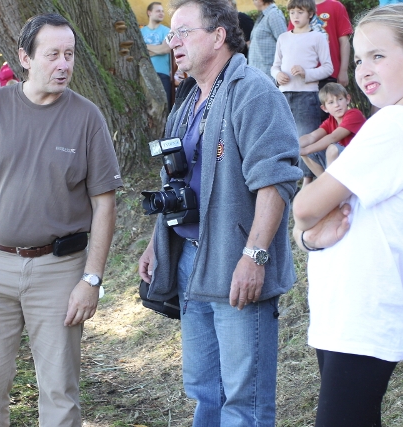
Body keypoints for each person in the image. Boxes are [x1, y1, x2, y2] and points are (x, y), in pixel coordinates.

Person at [292, 4, 403, 426]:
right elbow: (314, 222)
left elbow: (305, 206)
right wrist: (308, 236)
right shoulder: (401, 123)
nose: (364, 69)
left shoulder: (396, 126)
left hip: (363, 309)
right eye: (358, 60)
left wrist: (306, 224)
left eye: (378, 55)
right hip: (349, 307)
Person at [0, 13, 123, 426]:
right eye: (53, 55)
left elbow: (104, 204)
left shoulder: (87, 118)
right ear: (25, 58)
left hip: (59, 271)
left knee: (60, 391)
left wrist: (91, 279)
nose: (64, 64)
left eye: (69, 55)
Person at [138, 0, 301, 424]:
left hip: (235, 262)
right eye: (170, 33)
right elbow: (176, 178)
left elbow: (276, 181)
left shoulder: (254, 91)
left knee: (244, 400)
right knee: (204, 390)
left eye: (183, 31)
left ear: (218, 36)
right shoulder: (190, 96)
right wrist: (158, 243)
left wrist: (255, 257)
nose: (173, 41)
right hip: (190, 260)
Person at [272, 0, 332, 187]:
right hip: (284, 95)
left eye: (300, 12)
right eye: (292, 13)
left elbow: (328, 68)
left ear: (310, 14)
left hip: (307, 96)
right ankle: (292, 181)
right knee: (285, 139)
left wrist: (307, 73)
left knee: (306, 140)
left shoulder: (318, 37)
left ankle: (314, 183)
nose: (295, 16)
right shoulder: (283, 38)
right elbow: (275, 66)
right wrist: (277, 75)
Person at [299, 83, 366, 177]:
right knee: (305, 151)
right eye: (331, 102)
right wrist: (293, 146)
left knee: (333, 148)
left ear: (347, 99)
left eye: (340, 99)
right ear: (324, 108)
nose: (337, 105)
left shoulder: (354, 114)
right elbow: (311, 137)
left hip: (361, 160)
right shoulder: (330, 121)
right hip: (345, 162)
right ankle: (324, 181)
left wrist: (306, 150)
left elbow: (333, 137)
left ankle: (330, 182)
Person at [141, 2, 172, 109]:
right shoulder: (140, 32)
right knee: (145, 108)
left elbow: (166, 49)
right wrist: (158, 49)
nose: (161, 13)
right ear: (149, 12)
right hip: (143, 74)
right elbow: (138, 53)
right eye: (158, 11)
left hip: (162, 74)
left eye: (162, 11)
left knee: (165, 108)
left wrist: (145, 46)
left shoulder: (167, 31)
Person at [248, 0, 287, 80]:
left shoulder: (274, 15)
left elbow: (285, 43)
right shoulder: (264, 15)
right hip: (259, 73)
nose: (253, 2)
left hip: (269, 75)